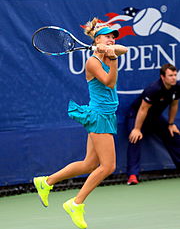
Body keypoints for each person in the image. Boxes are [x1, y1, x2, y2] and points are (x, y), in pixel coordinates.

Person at [33, 17, 128, 229]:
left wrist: (110, 50)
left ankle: (46, 182)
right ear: (97, 39)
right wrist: (111, 58)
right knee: (108, 166)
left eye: (113, 36)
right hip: (98, 116)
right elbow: (109, 82)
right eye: (107, 36)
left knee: (89, 164)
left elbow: (126, 49)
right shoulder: (93, 62)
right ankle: (76, 203)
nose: (112, 40)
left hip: (106, 115)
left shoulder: (108, 51)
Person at [126, 63, 180, 185]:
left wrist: (171, 124)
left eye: (175, 75)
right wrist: (137, 128)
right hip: (136, 116)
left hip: (155, 118)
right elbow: (143, 109)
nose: (173, 78)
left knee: (174, 134)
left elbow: (174, 104)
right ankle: (133, 175)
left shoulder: (177, 87)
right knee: (134, 138)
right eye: (170, 75)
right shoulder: (154, 89)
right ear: (163, 77)